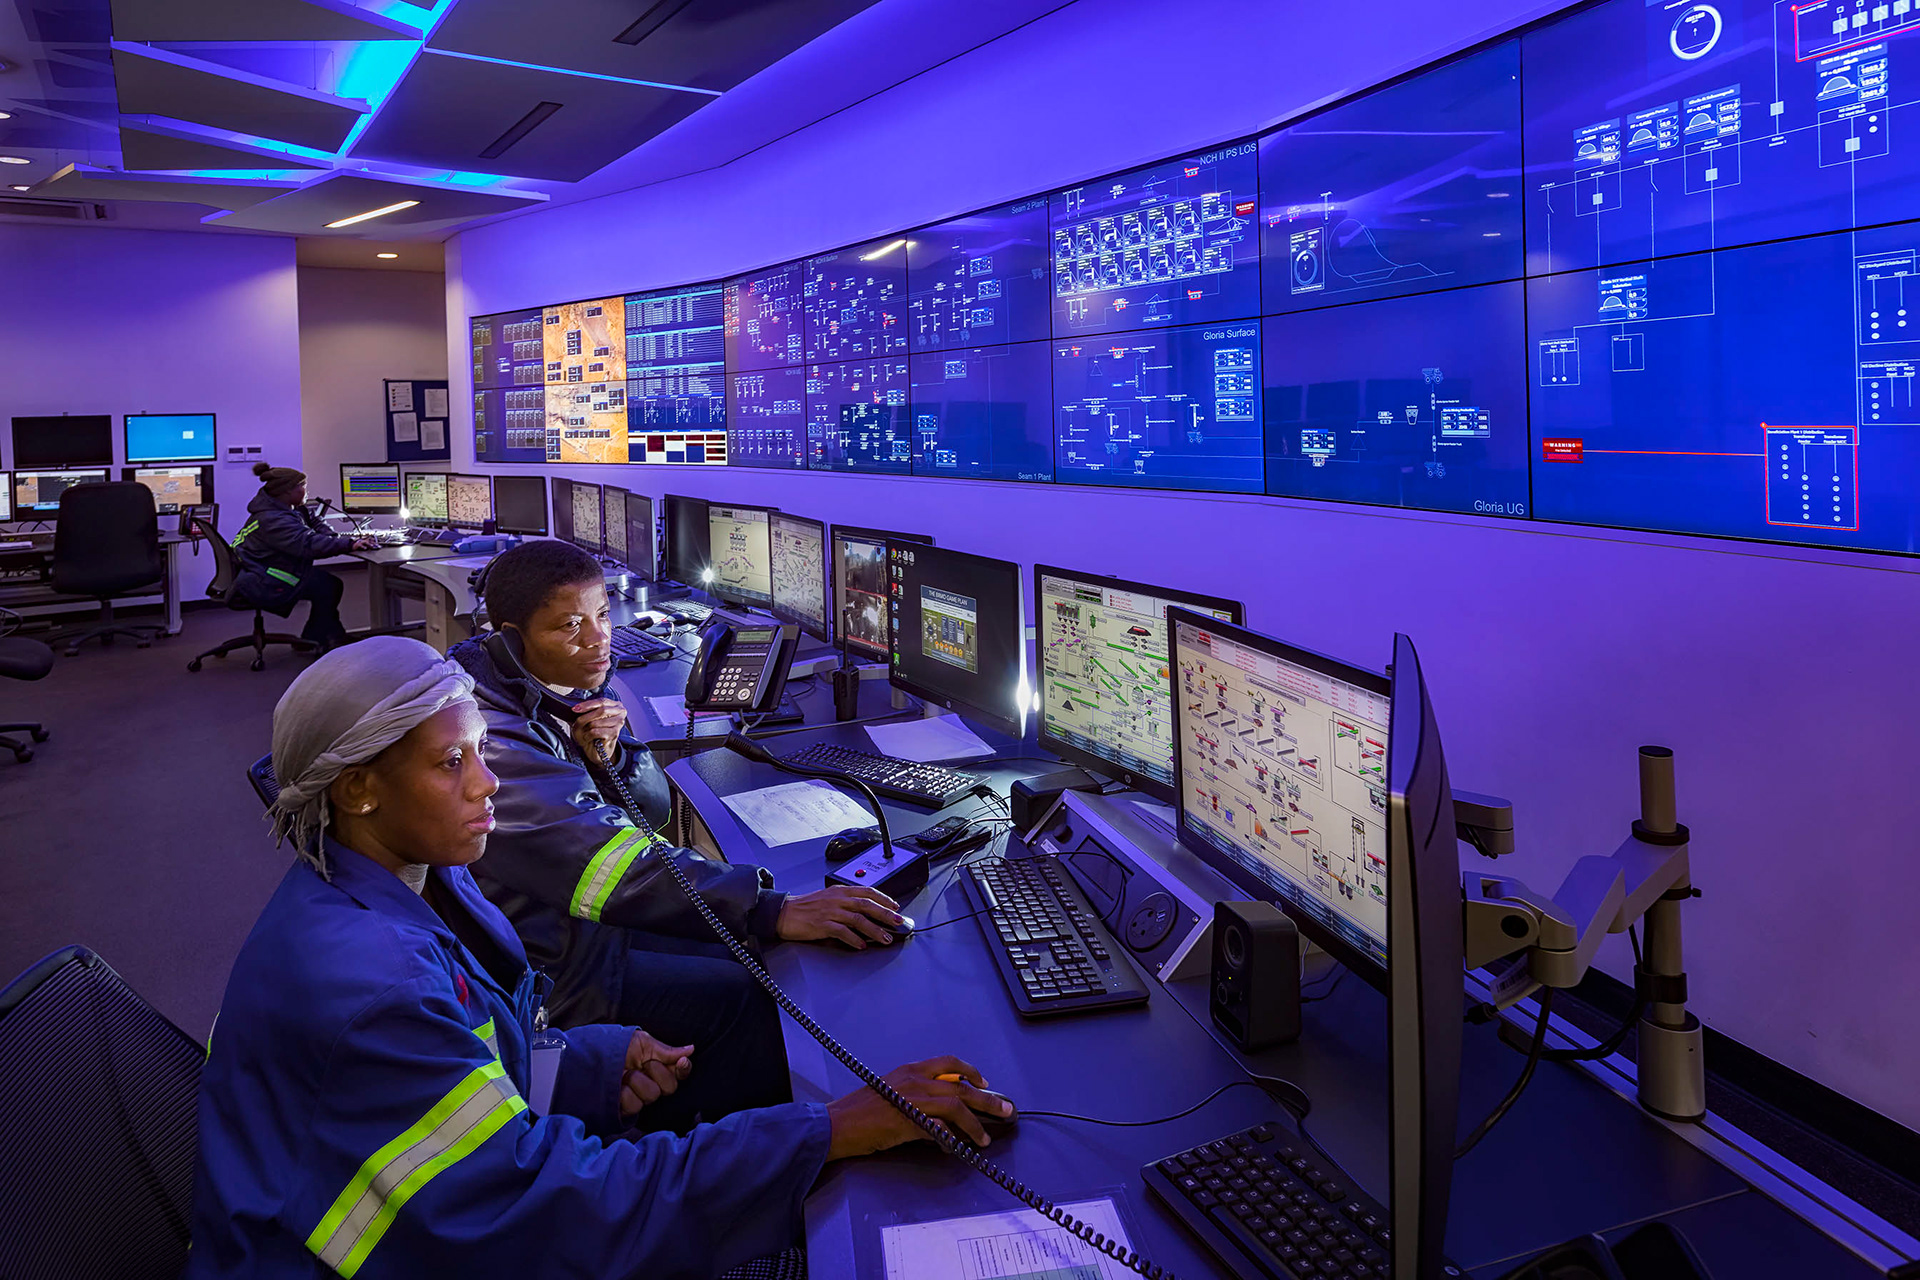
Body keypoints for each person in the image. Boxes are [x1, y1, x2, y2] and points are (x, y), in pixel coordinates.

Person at [189, 636, 1012, 1278]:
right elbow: (543, 1215)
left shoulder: (403, 880)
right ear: (358, 788)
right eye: (452, 763)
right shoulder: (370, 983)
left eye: (480, 750)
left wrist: (587, 1064)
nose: (488, 785)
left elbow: (472, 1069)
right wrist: (827, 1133)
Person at [448, 540, 903, 1128]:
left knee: (751, 954)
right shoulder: (495, 738)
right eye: (570, 626)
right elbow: (610, 866)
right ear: (511, 641)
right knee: (746, 996)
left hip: (577, 929)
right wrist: (770, 907)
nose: (597, 639)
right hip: (553, 971)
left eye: (603, 616)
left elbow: (654, 811)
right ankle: (726, 1163)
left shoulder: (554, 694)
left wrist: (611, 755)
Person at [233, 461, 376, 652]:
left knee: (327, 584)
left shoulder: (285, 508)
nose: (306, 490)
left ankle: (326, 636)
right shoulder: (274, 519)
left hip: (261, 566)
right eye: (302, 486)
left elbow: (314, 523)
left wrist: (333, 537)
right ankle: (319, 638)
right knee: (327, 586)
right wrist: (349, 544)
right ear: (286, 491)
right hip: (261, 576)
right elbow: (307, 544)